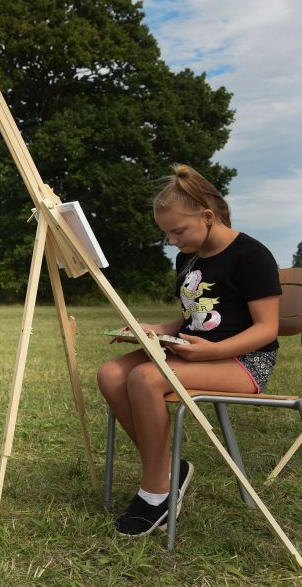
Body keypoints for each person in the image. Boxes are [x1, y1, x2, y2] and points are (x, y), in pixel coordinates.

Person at [96, 164, 281, 537]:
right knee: (111, 373)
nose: (173, 241)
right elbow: (192, 319)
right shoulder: (189, 258)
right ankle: (168, 469)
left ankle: (156, 492)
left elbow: (267, 329)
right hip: (195, 352)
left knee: (146, 377)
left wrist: (210, 353)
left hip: (244, 362)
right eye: (166, 234)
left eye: (178, 231)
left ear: (208, 217)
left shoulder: (251, 255)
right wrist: (153, 331)